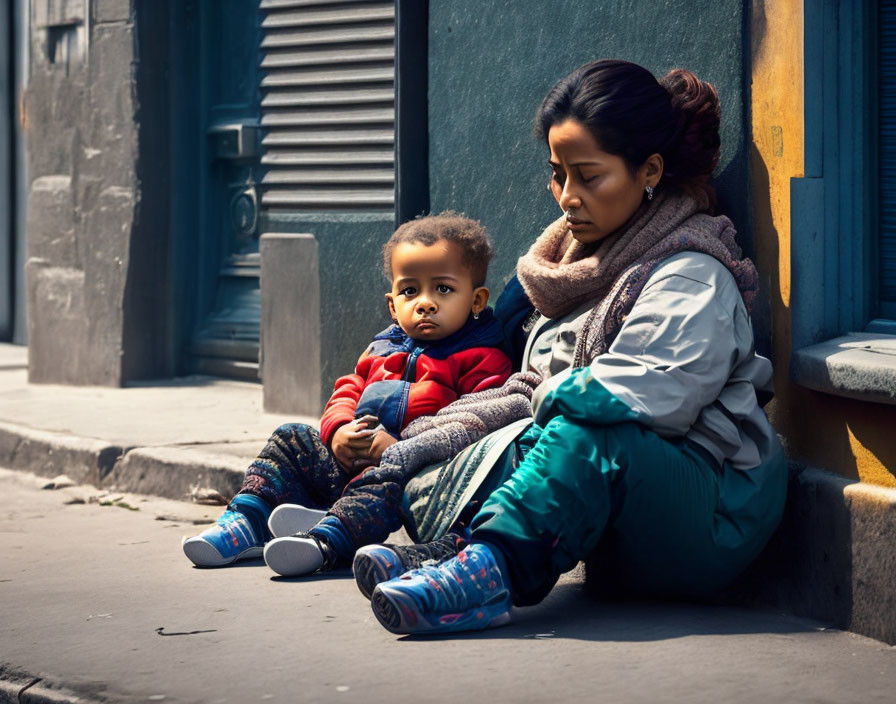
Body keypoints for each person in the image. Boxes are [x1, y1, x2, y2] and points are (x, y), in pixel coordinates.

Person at [360, 59, 788, 635]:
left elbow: (650, 393)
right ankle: (462, 550)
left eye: (589, 176)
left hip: (711, 519)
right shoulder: (578, 273)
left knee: (583, 425)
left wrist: (543, 407)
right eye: (558, 174)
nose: (568, 197)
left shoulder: (691, 274)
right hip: (622, 526)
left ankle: (484, 577)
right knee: (503, 429)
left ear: (649, 171)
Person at [182, 213, 512, 568]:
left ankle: (326, 542)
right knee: (290, 437)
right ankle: (246, 521)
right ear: (392, 304)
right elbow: (348, 389)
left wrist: (404, 451)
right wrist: (338, 430)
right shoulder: (382, 349)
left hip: (409, 478)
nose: (425, 302)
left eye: (443, 289)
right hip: (348, 464)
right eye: (410, 290)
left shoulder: (483, 359)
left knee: (386, 483)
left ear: (476, 300)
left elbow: (474, 430)